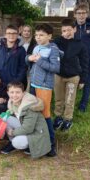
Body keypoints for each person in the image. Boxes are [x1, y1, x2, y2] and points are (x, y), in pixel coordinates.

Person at [26, 23, 60, 157]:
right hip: (33, 85)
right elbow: (30, 62)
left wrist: (39, 61)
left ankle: (51, 145)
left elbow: (55, 68)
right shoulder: (36, 47)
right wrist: (28, 58)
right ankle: (36, 142)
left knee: (45, 115)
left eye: (41, 35)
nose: (38, 37)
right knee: (34, 114)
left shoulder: (53, 49)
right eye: (36, 35)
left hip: (44, 86)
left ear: (49, 36)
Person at [53, 18, 89, 131]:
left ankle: (68, 119)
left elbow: (85, 63)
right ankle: (58, 117)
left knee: (69, 99)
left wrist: (83, 80)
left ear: (75, 29)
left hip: (73, 77)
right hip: (58, 75)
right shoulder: (57, 42)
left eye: (69, 30)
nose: (66, 33)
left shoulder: (80, 45)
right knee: (58, 98)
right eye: (63, 30)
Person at [0, 82, 51, 159]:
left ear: (23, 93)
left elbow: (28, 128)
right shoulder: (12, 102)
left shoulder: (29, 105)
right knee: (6, 118)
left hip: (36, 134)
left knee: (16, 142)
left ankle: (30, 146)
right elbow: (12, 116)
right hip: (27, 128)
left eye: (17, 92)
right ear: (8, 93)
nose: (14, 95)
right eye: (12, 92)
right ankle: (13, 143)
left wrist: (12, 132)